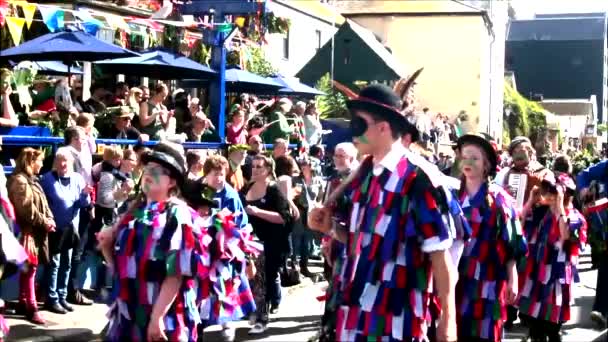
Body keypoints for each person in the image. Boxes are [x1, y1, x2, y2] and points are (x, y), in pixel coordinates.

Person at [308, 84, 458, 341]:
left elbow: (441, 258)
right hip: (356, 317)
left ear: (383, 127)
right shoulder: (364, 177)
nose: (352, 131)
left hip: (398, 321)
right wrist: (330, 228)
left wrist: (448, 321)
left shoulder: (419, 180)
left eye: (359, 123)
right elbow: (363, 243)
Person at [98, 142, 210, 341]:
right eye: (148, 168)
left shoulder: (179, 215)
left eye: (158, 170)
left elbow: (175, 274)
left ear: (172, 182)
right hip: (130, 311)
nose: (149, 173)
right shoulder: (132, 211)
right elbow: (121, 267)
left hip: (163, 314)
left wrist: (157, 318)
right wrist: (106, 247)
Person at [454, 134, 527, 342]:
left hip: (488, 283)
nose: (468, 162)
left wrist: (513, 279)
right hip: (455, 281)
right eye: (465, 156)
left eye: (475, 158)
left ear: (486, 165)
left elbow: (512, 245)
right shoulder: (450, 195)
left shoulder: (500, 200)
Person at [517, 171, 587, 342]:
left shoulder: (575, 217)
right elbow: (518, 227)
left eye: (551, 191)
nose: (546, 194)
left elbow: (565, 235)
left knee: (552, 326)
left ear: (564, 194)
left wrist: (560, 207)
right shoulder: (540, 212)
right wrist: (530, 202)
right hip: (535, 274)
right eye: (545, 189)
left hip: (556, 276)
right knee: (534, 324)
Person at [241, 155, 293, 334]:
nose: (254, 170)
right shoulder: (247, 187)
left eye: (259, 167)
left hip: (270, 241)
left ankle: (262, 318)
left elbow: (283, 218)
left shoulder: (273, 190)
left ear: (268, 170)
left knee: (265, 278)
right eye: (253, 166)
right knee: (254, 278)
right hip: (250, 241)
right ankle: (256, 313)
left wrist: (257, 211)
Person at [40, 148, 92, 314]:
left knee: (67, 264)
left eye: (66, 161)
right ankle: (52, 298)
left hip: (71, 228)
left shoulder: (77, 178)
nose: (63, 164)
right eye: (60, 160)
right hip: (54, 228)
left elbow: (83, 204)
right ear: (55, 162)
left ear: (71, 163)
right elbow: (43, 203)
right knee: (54, 264)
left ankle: (62, 296)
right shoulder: (47, 179)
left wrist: (84, 195)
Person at [6, 148, 54, 324]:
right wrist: (44, 222)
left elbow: (43, 203)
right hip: (24, 231)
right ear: (31, 161)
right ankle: (32, 308)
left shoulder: (32, 180)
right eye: (39, 160)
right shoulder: (19, 181)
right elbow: (26, 209)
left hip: (34, 231)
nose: (42, 164)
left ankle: (22, 302)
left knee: (28, 269)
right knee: (30, 269)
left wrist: (50, 218)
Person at [576, 158, 608, 326]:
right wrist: (582, 189)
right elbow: (583, 175)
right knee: (605, 266)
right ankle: (601, 309)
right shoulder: (606, 165)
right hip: (605, 226)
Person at [203, 155, 249, 230]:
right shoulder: (203, 191)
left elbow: (233, 222)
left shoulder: (230, 196)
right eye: (215, 174)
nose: (219, 178)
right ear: (206, 175)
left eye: (222, 175)